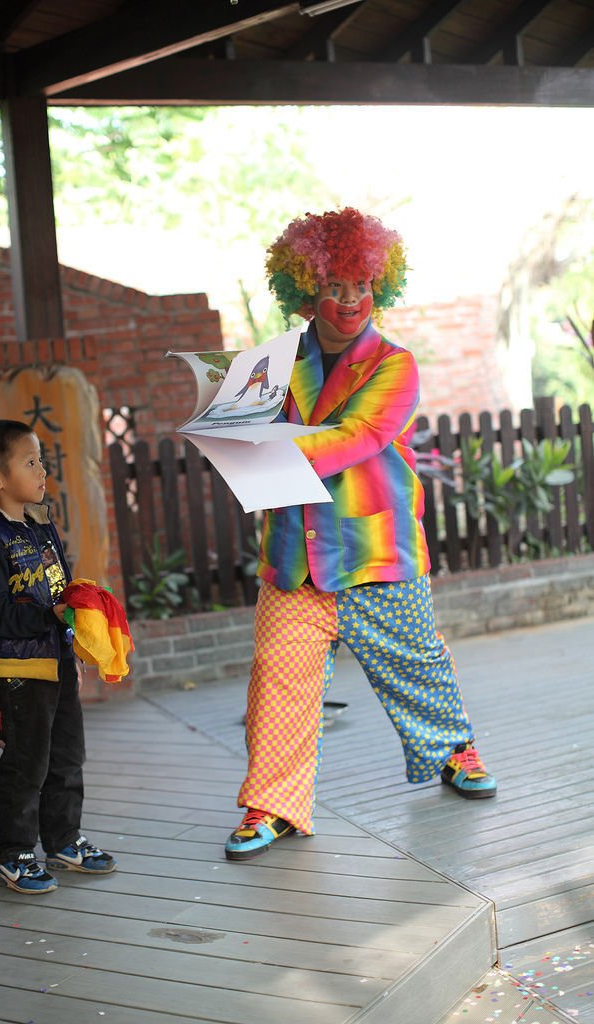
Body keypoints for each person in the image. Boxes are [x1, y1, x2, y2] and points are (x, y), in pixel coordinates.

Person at [225, 207, 497, 862]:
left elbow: (360, 436)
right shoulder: (268, 364)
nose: (348, 301)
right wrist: (235, 438)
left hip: (375, 552)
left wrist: (269, 452)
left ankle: (452, 749)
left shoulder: (394, 365)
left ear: (380, 284)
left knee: (415, 666)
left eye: (360, 285)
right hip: (292, 558)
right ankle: (273, 803)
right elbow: (233, 439)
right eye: (334, 286)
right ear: (303, 289)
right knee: (277, 680)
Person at [0, 419, 117, 893]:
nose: (43, 469)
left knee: (68, 755)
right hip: (17, 670)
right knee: (28, 762)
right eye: (30, 462)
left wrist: (71, 644)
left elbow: (57, 592)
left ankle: (64, 840)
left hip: (54, 660)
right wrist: (53, 617)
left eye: (41, 459)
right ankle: (15, 853)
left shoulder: (41, 525)